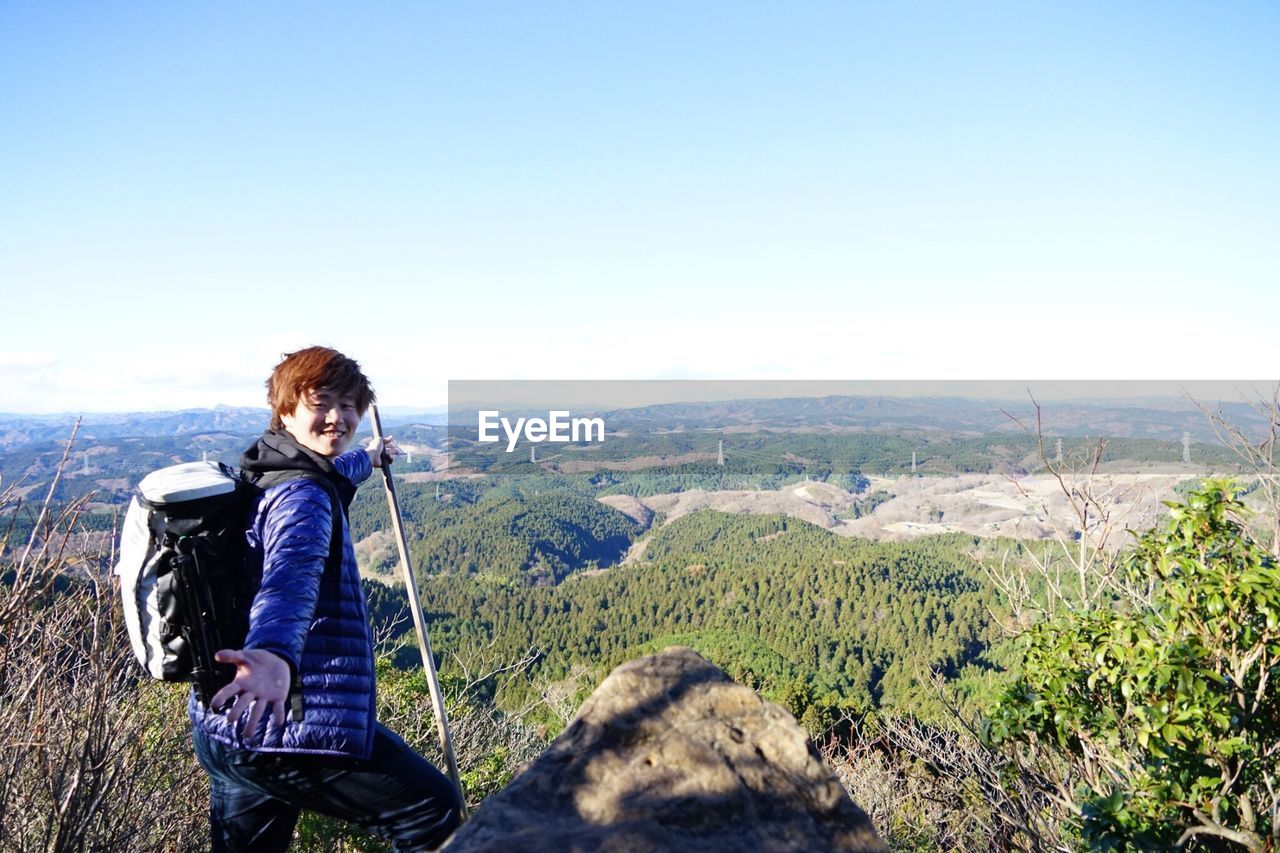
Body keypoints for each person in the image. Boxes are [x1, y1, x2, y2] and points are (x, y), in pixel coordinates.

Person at [189, 346, 462, 851]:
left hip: (228, 722)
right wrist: (273, 654)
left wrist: (372, 457)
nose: (339, 417)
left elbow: (333, 470)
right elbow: (292, 575)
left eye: (351, 405)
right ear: (286, 408)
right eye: (322, 402)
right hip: (286, 720)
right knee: (430, 806)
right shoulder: (305, 497)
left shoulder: (264, 467)